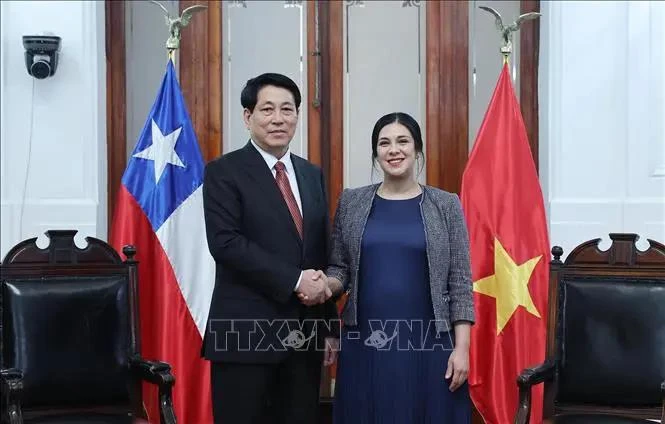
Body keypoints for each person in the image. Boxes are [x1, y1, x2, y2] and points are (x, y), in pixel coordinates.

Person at [201, 73, 339, 424]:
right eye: (267, 109)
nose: (279, 119)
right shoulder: (223, 172)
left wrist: (329, 328)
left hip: (304, 339)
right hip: (246, 337)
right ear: (248, 117)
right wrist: (295, 280)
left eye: (287, 109)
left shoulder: (311, 174)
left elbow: (319, 251)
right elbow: (226, 243)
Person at [325, 112, 475, 423]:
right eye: (385, 143)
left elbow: (460, 282)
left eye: (402, 141)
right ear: (376, 153)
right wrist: (323, 285)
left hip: (429, 341)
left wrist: (462, 349)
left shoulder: (446, 205)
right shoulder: (352, 203)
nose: (394, 149)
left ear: (417, 149)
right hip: (364, 340)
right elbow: (340, 269)